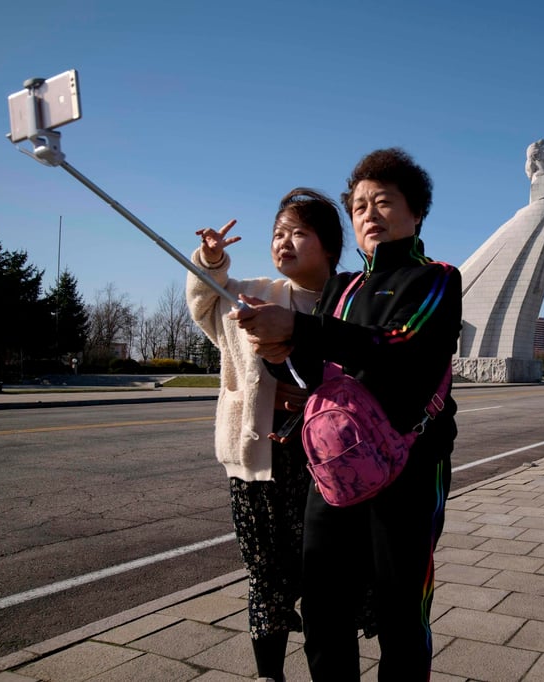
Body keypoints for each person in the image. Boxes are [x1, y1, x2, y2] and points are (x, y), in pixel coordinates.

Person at [232, 148, 462, 681]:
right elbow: (313, 378)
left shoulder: (436, 278)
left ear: (416, 212)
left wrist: (297, 329)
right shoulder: (341, 287)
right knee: (324, 606)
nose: (370, 214)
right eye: (359, 206)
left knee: (400, 611)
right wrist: (278, 357)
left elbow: (398, 343)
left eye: (384, 202)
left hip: (409, 465)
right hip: (335, 472)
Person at [185, 188, 343, 682]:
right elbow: (206, 302)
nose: (284, 242)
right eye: (279, 233)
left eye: (299, 232)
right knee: (266, 577)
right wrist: (211, 259)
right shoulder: (255, 294)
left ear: (330, 246)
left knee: (330, 579)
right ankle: (268, 676)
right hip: (262, 459)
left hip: (332, 463)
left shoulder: (352, 301)